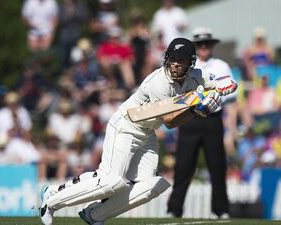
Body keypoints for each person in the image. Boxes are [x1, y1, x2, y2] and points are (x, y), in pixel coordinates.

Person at [39, 37, 237, 225]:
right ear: (167, 59)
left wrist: (225, 86)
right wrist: (200, 110)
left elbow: (221, 81)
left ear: (190, 63)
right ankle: (53, 197)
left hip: (147, 132)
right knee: (112, 181)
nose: (176, 64)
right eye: (173, 59)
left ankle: (94, 215)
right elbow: (169, 121)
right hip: (125, 126)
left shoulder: (196, 76)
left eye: (181, 60)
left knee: (152, 185)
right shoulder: (158, 82)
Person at [167, 27, 236, 218]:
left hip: (213, 119)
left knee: (217, 165)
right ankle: (174, 209)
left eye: (207, 44)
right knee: (183, 166)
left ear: (212, 46)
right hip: (190, 117)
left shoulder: (221, 65)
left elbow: (232, 95)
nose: (204, 48)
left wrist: (231, 130)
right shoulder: (187, 64)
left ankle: (221, 209)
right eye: (200, 45)